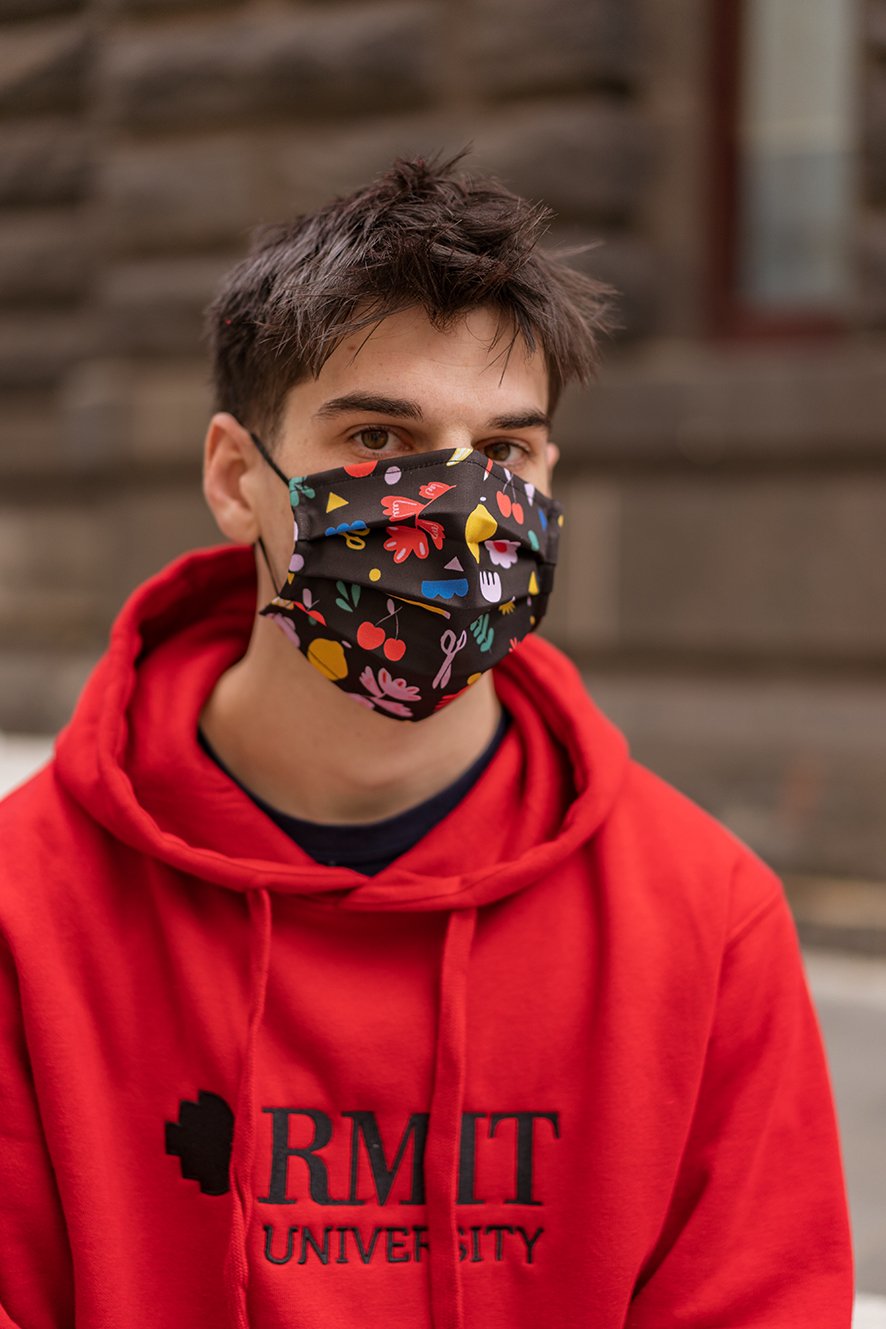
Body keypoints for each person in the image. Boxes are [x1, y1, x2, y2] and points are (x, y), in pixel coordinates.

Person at [0, 155, 851, 1328]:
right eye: (375, 438)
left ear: (546, 475)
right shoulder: (23, 917)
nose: (449, 506)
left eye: (502, 452)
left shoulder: (705, 925)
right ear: (237, 478)